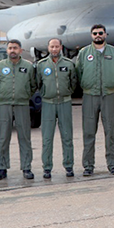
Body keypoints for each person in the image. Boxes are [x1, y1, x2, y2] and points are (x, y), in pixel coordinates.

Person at [76, 24, 114, 177]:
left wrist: (112, 85)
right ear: (92, 35)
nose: (98, 35)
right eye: (95, 33)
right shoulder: (84, 53)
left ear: (105, 35)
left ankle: (112, 164)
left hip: (108, 96)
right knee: (89, 132)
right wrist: (86, 86)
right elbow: (78, 72)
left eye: (100, 33)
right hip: (90, 96)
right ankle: (88, 166)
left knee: (109, 131)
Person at [0, 39, 37, 180]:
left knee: (24, 137)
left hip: (22, 105)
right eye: (10, 48)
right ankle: (2, 168)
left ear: (20, 50)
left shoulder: (28, 66)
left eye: (15, 48)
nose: (13, 50)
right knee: (3, 137)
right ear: (7, 50)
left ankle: (26, 167)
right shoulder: (0, 66)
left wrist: (23, 95)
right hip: (4, 105)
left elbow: (33, 85)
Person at [36, 38, 77, 179]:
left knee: (67, 136)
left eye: (57, 46)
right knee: (47, 138)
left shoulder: (69, 64)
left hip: (64, 102)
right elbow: (38, 83)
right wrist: (47, 94)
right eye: (52, 46)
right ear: (48, 48)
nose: (54, 49)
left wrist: (66, 93)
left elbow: (73, 82)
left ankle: (69, 166)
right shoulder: (41, 65)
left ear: (61, 47)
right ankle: (47, 167)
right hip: (48, 103)